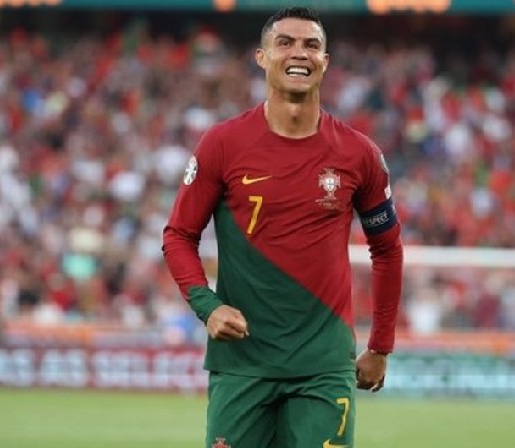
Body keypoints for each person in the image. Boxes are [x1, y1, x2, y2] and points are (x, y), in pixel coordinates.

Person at [162, 7, 403, 447]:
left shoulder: (359, 154)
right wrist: (208, 307)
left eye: (312, 45)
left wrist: (380, 345)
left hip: (323, 366)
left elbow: (387, 248)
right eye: (285, 43)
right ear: (262, 56)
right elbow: (179, 235)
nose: (299, 53)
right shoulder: (222, 144)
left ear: (325, 61)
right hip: (242, 363)